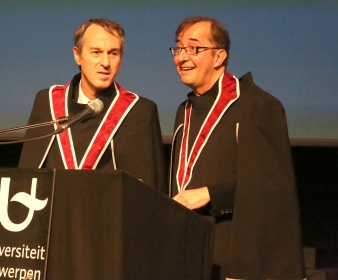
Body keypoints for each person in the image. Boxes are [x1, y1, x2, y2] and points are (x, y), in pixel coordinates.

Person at [168, 16, 305, 279]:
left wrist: (210, 194)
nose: (182, 57)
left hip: (235, 255)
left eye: (194, 48)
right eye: (179, 48)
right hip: (189, 254)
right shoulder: (183, 111)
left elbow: (272, 189)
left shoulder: (257, 105)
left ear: (219, 57)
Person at [19, 18, 167, 193]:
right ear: (77, 55)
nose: (105, 62)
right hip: (55, 214)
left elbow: (150, 192)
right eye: (96, 52)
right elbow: (25, 180)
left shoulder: (139, 111)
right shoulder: (48, 101)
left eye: (113, 53)